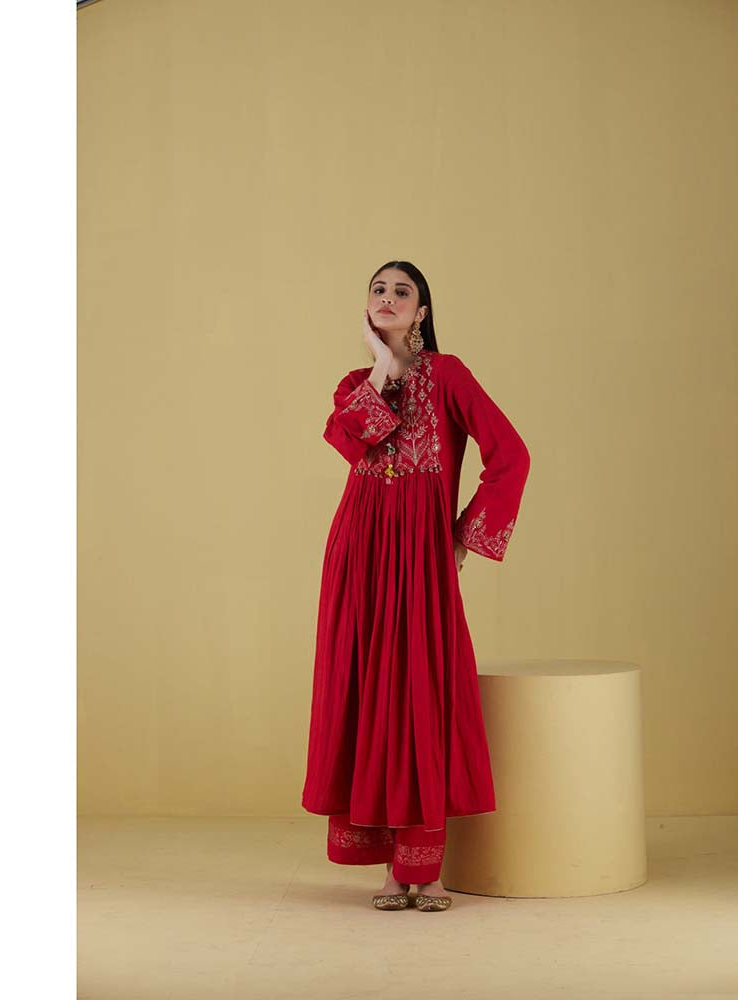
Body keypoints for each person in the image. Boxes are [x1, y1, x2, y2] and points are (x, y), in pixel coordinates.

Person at [301, 260, 531, 911]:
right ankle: (390, 872)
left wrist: (463, 537)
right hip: (358, 550)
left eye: (402, 291)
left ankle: (424, 869)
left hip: (420, 555)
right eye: (378, 289)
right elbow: (352, 442)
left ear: (422, 310)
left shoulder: (448, 375)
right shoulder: (356, 384)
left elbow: (511, 454)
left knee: (419, 692)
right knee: (367, 694)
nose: (388, 297)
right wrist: (380, 364)